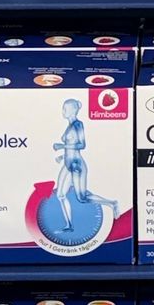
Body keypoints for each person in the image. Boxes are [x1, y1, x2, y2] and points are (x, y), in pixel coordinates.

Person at [54, 98, 119, 228]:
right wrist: (62, 156)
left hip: (76, 164)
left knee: (82, 198)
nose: (63, 111)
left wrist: (62, 146)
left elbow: (81, 145)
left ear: (73, 111)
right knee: (60, 195)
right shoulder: (69, 126)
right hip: (67, 163)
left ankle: (112, 203)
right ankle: (69, 225)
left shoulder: (78, 125)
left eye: (65, 108)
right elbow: (71, 147)